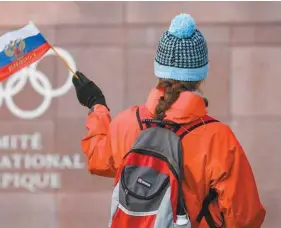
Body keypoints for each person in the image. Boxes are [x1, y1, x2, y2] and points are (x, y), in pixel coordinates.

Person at [71, 13, 266, 228]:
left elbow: (99, 159)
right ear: (200, 77)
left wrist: (96, 105)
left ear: (158, 71)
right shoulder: (217, 138)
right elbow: (245, 216)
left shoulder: (129, 122)